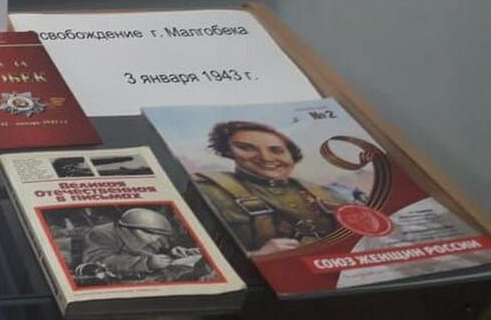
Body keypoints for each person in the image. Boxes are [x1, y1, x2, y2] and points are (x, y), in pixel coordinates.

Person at [195, 120, 347, 256]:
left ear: (292, 155)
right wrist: (256, 256)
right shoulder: (208, 192)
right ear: (229, 152)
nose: (265, 158)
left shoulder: (327, 195)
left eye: (276, 150)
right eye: (247, 148)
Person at [70, 208, 203, 285]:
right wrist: (145, 263)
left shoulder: (151, 235)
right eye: (151, 234)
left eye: (159, 235)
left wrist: (173, 252)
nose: (155, 238)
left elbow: (157, 248)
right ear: (128, 229)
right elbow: (100, 261)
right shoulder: (101, 233)